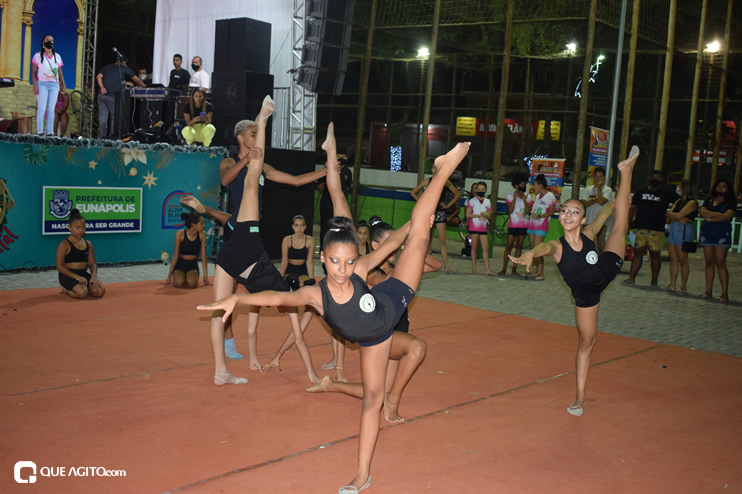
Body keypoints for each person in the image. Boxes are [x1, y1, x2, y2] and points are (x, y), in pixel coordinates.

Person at [199, 124, 471, 493]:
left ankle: (443, 170)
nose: (343, 270)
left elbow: (388, 247)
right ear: (323, 260)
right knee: (371, 403)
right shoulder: (316, 294)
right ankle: (363, 475)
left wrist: (405, 233)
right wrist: (237, 298)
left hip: (394, 298)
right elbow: (277, 298)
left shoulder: (359, 268)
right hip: (375, 337)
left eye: (348, 262)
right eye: (335, 263)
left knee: (421, 232)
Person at [511, 146, 640, 417]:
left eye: (575, 212)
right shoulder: (557, 246)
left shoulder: (591, 232)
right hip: (587, 296)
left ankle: (627, 170)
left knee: (621, 222)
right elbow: (541, 249)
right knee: (586, 341)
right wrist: (528, 254)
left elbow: (606, 213)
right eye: (565, 211)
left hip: (607, 267)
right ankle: (580, 396)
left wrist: (619, 201)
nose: (568, 215)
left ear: (582, 220)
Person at [205, 97, 321, 386]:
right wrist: (257, 136)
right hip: (239, 226)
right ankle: (263, 116)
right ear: (241, 136)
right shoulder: (232, 159)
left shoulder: (260, 162)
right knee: (250, 181)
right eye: (253, 132)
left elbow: (294, 180)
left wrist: (326, 171)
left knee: (220, 306)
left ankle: (221, 371)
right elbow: (226, 180)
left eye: (258, 132)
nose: (254, 139)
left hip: (241, 240)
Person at [306, 217, 441, 424]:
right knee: (416, 349)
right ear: (378, 246)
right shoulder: (368, 273)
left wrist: (408, 250)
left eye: (397, 243)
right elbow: (389, 282)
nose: (395, 248)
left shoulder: (397, 263)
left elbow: (436, 264)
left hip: (399, 328)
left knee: (378, 390)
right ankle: (393, 401)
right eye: (391, 244)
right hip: (381, 333)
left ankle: (331, 385)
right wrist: (408, 264)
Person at [623, 170, 677, 287]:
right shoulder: (641, 192)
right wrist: (628, 222)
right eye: (653, 178)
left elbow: (680, 202)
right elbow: (633, 207)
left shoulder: (667, 193)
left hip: (656, 229)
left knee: (655, 255)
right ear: (649, 178)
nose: (655, 180)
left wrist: (671, 213)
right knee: (638, 253)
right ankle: (631, 278)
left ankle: (654, 282)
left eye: (658, 178)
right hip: (640, 227)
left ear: (662, 180)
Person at [410, 163, 461, 274]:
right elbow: (413, 193)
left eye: (436, 168)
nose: (434, 170)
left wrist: (448, 205)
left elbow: (457, 194)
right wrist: (421, 202)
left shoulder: (445, 181)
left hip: (440, 213)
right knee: (427, 240)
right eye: (433, 168)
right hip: (428, 212)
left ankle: (447, 266)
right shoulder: (427, 181)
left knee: (442, 241)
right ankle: (427, 262)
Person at [698, 179, 736, 303]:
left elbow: (726, 216)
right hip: (708, 233)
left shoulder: (730, 202)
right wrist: (716, 215)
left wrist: (709, 216)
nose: (720, 189)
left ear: (728, 189)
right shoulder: (709, 200)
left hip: (721, 234)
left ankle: (724, 293)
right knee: (709, 261)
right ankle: (708, 291)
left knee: (720, 262)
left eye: (724, 186)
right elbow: (702, 213)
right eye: (719, 186)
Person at [55, 208, 106, 299]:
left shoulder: (88, 244)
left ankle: (84, 287)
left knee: (100, 291)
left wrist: (93, 277)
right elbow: (60, 266)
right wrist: (75, 277)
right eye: (77, 227)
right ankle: (65, 290)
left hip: (83, 274)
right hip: (68, 275)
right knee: (82, 293)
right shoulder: (64, 244)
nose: (80, 230)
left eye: (83, 227)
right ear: (69, 227)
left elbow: (92, 264)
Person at [96, 54, 145, 138]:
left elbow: (98, 77)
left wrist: (102, 88)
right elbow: (137, 80)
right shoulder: (124, 69)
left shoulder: (107, 67)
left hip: (101, 95)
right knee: (114, 118)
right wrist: (145, 86)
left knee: (103, 119)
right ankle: (112, 137)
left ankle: (102, 138)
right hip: (112, 96)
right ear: (124, 62)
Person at [665, 180, 698, 294]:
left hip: (683, 230)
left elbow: (677, 215)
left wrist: (676, 216)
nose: (678, 188)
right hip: (674, 228)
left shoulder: (692, 202)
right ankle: (672, 283)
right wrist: (677, 217)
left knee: (683, 259)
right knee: (673, 258)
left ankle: (683, 286)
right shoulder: (678, 201)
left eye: (679, 186)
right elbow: (668, 215)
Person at [32, 34, 66, 136]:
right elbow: (33, 72)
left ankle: (50, 132)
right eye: (47, 40)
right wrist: (35, 85)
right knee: (42, 108)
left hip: (54, 85)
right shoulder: (38, 56)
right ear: (43, 43)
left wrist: (63, 85)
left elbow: (60, 73)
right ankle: (40, 132)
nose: (50, 42)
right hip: (42, 84)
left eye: (51, 40)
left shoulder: (57, 57)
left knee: (51, 109)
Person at [166, 211, 210, 289]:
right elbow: (175, 255)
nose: (204, 226)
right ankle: (180, 276)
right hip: (180, 264)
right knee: (178, 283)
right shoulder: (179, 234)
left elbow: (203, 257)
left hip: (192, 265)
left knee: (192, 284)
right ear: (193, 224)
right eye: (201, 224)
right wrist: (169, 276)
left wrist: (206, 278)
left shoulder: (202, 235)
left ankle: (189, 277)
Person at [498, 173, 531, 276]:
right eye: (522, 184)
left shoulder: (528, 197)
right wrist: (515, 198)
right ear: (516, 186)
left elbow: (529, 211)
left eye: (525, 184)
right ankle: (504, 268)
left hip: (523, 225)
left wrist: (525, 200)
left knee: (519, 246)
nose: (524, 186)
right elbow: (510, 210)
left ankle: (514, 269)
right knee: (509, 246)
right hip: (513, 224)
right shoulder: (510, 196)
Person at [526, 174, 556, 280]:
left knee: (538, 249)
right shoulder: (538, 196)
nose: (533, 187)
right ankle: (534, 271)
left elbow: (552, 212)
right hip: (532, 225)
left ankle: (541, 273)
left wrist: (539, 216)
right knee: (533, 248)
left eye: (534, 185)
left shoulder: (550, 196)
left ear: (540, 185)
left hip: (541, 226)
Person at [318, 154, 353, 247]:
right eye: (339, 156)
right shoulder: (326, 169)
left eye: (344, 156)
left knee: (341, 226)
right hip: (327, 204)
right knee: (325, 226)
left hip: (340, 205)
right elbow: (320, 185)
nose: (342, 158)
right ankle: (323, 249)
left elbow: (348, 187)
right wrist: (329, 195)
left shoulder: (347, 172)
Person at [580, 167, 614, 252]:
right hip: (588, 220)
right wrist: (596, 201)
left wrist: (598, 188)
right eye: (596, 176)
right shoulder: (588, 189)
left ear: (603, 178)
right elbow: (585, 203)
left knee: (601, 244)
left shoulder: (607, 190)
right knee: (586, 242)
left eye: (600, 176)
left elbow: (602, 201)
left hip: (601, 221)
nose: (598, 179)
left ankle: (601, 262)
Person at [466, 181, 496, 275]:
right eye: (478, 189)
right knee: (474, 247)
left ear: (486, 190)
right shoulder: (472, 201)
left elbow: (490, 215)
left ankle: (487, 269)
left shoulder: (487, 201)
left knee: (485, 248)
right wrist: (478, 215)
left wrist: (487, 214)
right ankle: (474, 268)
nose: (480, 191)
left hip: (483, 227)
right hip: (474, 226)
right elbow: (468, 214)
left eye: (482, 189)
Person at [279, 214, 315, 286]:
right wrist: (280, 278)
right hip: (289, 269)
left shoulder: (310, 240)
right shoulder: (287, 240)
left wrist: (312, 279)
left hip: (302, 270)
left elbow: (309, 262)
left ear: (305, 226)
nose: (299, 229)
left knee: (304, 286)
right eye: (296, 225)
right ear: (293, 226)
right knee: (293, 282)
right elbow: (284, 261)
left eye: (302, 225)